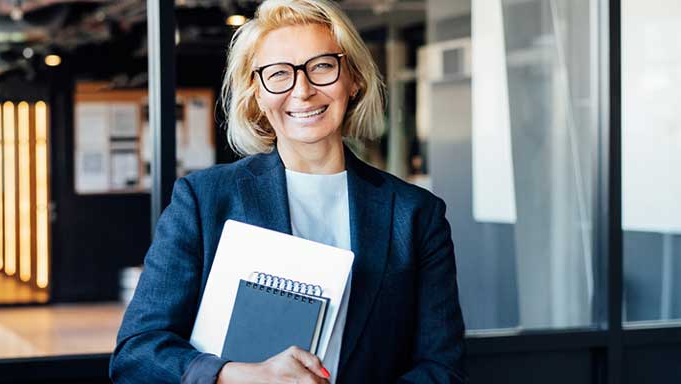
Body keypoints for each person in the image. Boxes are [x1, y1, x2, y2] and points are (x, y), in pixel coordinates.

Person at [110, 0, 465, 382]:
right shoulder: (203, 200)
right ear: (257, 93)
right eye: (278, 74)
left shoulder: (415, 214)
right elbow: (136, 354)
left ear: (354, 78)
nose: (303, 90)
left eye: (323, 67)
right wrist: (238, 376)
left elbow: (441, 368)